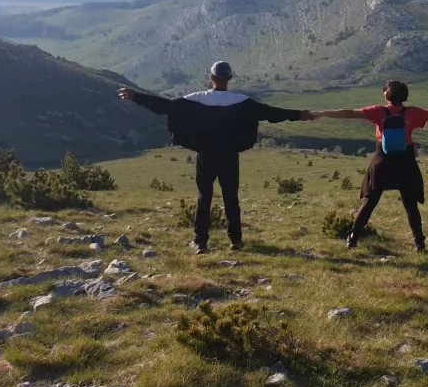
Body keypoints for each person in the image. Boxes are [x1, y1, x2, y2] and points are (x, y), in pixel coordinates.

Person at [118, 61, 312, 254]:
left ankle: (200, 242)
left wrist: (136, 97)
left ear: (211, 78)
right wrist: (300, 115)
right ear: (229, 79)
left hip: (206, 155)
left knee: (204, 197)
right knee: (230, 198)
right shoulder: (241, 101)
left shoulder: (196, 99)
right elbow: (271, 113)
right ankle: (235, 241)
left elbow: (165, 107)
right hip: (229, 155)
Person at [314, 79, 428, 252]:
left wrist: (323, 113)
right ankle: (419, 242)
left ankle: (353, 238)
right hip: (405, 160)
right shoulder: (412, 112)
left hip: (382, 159)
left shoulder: (378, 111)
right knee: (410, 204)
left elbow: (348, 113)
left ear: (387, 95)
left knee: (369, 201)